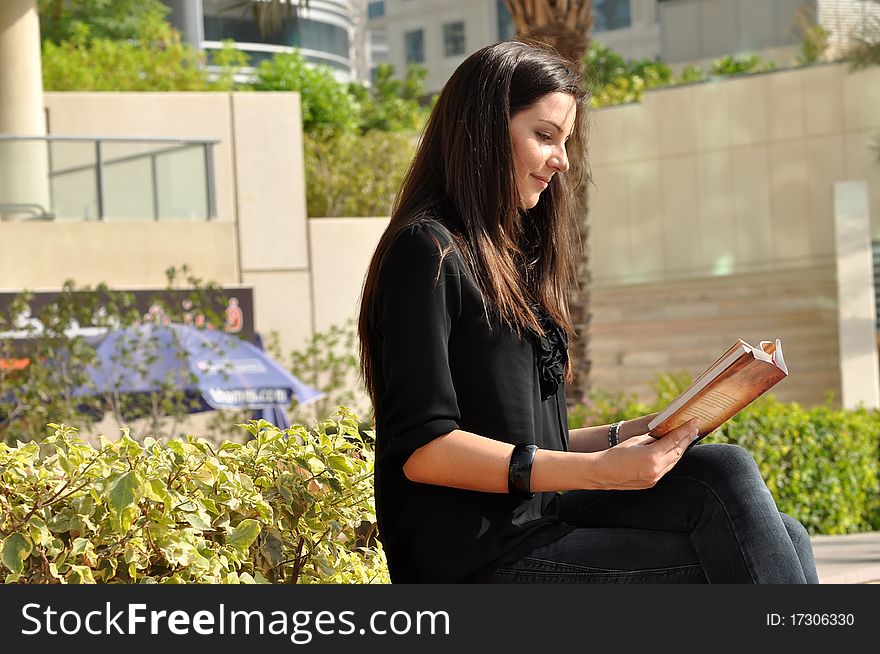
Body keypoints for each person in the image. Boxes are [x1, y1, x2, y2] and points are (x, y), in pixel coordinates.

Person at [357, 40, 818, 584]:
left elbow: (532, 441)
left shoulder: (510, 258)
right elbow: (426, 450)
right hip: (477, 561)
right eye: (545, 136)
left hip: (539, 520)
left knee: (746, 492)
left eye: (565, 141)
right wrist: (600, 474)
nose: (562, 160)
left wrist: (646, 431)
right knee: (730, 551)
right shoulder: (426, 252)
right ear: (480, 130)